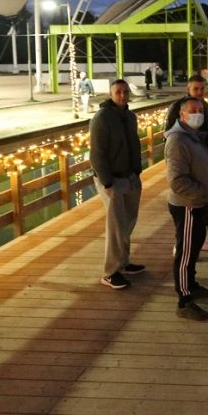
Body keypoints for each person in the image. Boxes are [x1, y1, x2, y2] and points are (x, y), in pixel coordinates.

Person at [164, 96, 208, 321]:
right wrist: (203, 193)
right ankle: (184, 300)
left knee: (194, 248)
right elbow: (177, 181)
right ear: (182, 115)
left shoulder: (193, 136)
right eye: (193, 110)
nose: (198, 114)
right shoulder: (178, 140)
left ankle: (192, 285)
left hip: (200, 203)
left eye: (200, 110)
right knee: (186, 253)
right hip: (188, 205)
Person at [89, 79, 145, 290]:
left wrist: (137, 171)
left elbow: (135, 144)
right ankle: (110, 272)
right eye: (118, 92)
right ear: (111, 94)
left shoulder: (130, 117)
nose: (122, 95)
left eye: (125, 91)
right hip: (112, 179)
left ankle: (124, 262)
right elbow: (97, 153)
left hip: (130, 177)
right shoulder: (102, 118)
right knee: (116, 226)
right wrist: (107, 182)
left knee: (128, 221)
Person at [166, 74, 208, 154]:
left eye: (202, 89)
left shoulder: (206, 108)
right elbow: (168, 133)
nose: (200, 92)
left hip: (202, 152)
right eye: (196, 89)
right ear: (188, 90)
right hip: (182, 152)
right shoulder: (176, 107)